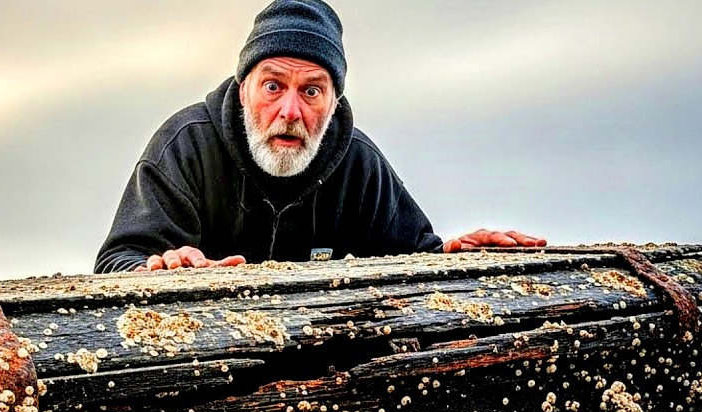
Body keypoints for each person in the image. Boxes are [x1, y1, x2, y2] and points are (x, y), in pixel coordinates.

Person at [94, 0, 545, 274]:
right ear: (243, 87)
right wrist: (157, 266)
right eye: (273, 86)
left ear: (333, 101)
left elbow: (416, 257)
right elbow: (118, 261)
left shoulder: (359, 163)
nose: (290, 111)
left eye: (312, 91)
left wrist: (460, 257)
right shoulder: (186, 146)